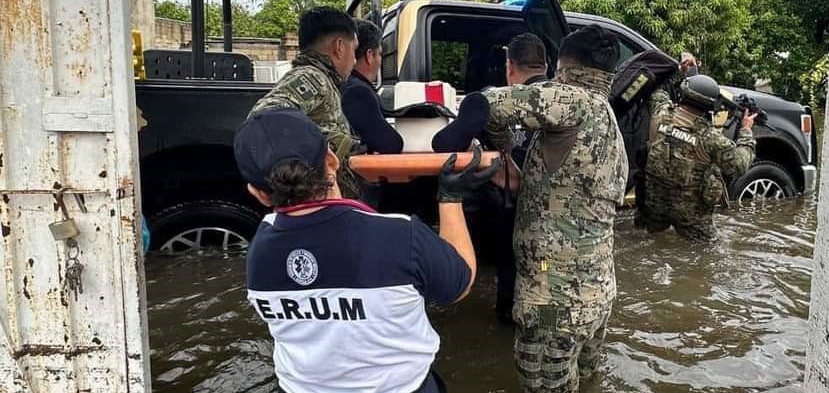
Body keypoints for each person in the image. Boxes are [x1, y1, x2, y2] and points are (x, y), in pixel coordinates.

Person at [234, 108, 501, 393]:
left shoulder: (259, 254)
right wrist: (451, 197)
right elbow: (459, 283)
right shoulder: (401, 236)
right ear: (331, 160)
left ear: (257, 193)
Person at [482, 25, 628, 392]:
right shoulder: (608, 120)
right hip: (597, 297)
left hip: (553, 306)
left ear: (561, 64)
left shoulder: (571, 100)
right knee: (588, 381)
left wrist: (500, 145)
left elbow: (487, 106)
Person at [250, 6, 361, 199]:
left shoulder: (323, 80)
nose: (355, 60)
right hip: (316, 204)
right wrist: (320, 153)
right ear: (340, 47)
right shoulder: (312, 77)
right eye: (355, 50)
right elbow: (264, 116)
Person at [639, 74, 756, 241]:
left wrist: (679, 71)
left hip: (653, 205)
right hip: (691, 216)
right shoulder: (711, 138)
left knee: (649, 238)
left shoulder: (660, 113)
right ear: (710, 105)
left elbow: (658, 89)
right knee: (711, 250)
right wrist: (746, 131)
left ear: (684, 94)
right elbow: (739, 165)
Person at [493, 32, 548, 322]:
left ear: (510, 67)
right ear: (546, 66)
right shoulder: (567, 104)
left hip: (521, 219)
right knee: (544, 278)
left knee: (515, 285)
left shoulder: (503, 103)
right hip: (555, 231)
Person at [342, 19, 404, 155]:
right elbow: (390, 144)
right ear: (369, 56)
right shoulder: (357, 91)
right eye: (380, 54)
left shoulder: (346, 84)